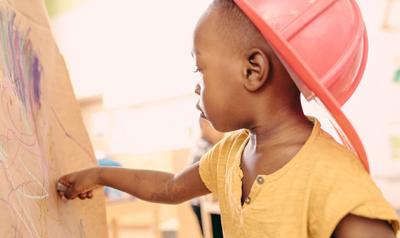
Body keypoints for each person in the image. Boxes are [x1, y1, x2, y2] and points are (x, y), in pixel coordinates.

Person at [57, 1, 400, 237]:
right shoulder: (230, 154)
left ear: (253, 71)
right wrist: (100, 174)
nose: (196, 85)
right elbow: (170, 187)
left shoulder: (331, 174)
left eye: (200, 69)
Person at [190, 118, 224, 237]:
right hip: (201, 202)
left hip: (201, 201)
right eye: (215, 127)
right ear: (203, 126)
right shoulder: (206, 148)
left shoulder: (208, 145)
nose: (221, 132)